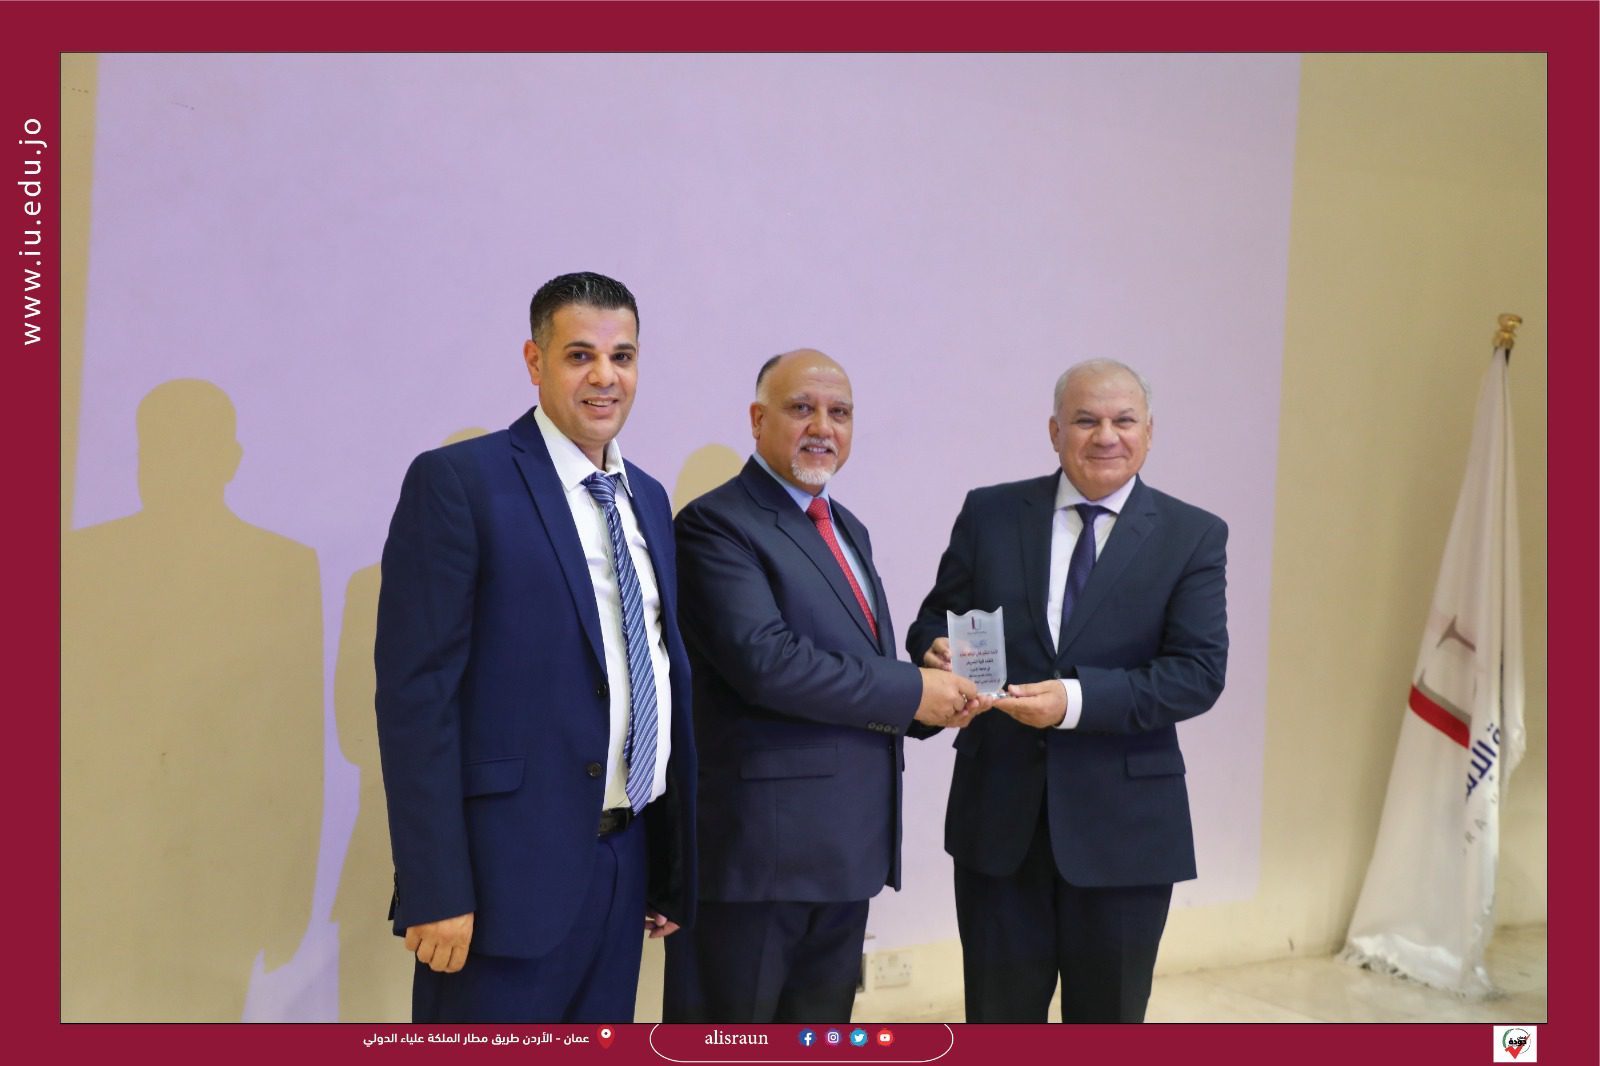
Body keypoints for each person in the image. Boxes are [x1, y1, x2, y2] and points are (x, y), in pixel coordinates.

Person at [374, 272, 696, 1022]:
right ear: (534, 361)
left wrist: (666, 865)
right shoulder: (459, 482)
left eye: (622, 357)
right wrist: (435, 887)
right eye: (580, 355)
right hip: (500, 882)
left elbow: (651, 670)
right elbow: (418, 701)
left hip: (623, 864)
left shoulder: (648, 496)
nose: (605, 377)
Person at [663, 350, 981, 1023]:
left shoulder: (846, 526)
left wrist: (935, 693)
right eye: (801, 408)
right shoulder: (715, 524)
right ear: (757, 420)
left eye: (840, 412)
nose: (823, 427)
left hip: (844, 853)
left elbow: (852, 664)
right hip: (760, 860)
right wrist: (911, 689)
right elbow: (768, 664)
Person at [906, 358, 1227, 1023]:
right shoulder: (991, 512)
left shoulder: (1192, 534)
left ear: (1149, 432)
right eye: (1085, 420)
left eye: (1123, 420)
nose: (1106, 436)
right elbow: (936, 617)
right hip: (999, 823)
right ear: (1055, 431)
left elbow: (1196, 673)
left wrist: (1072, 702)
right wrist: (933, 646)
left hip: (1126, 835)